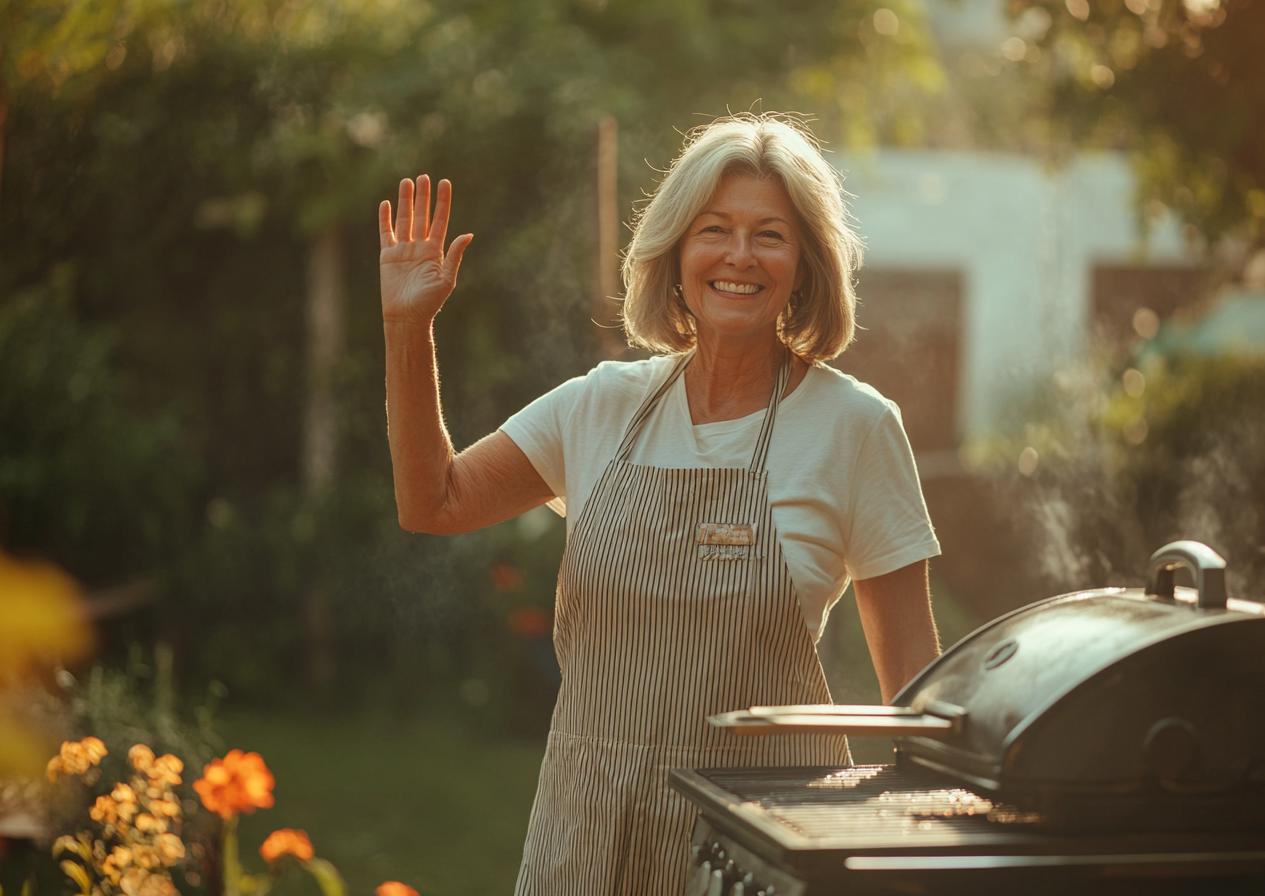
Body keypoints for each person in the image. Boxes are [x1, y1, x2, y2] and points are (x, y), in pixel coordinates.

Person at [378, 113, 941, 895]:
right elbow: (431, 502)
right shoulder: (599, 406)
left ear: (806, 265)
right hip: (585, 834)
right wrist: (408, 330)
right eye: (715, 229)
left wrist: (911, 852)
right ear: (675, 252)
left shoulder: (856, 428)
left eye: (770, 234)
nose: (739, 256)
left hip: (760, 852)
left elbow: (914, 693)